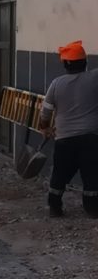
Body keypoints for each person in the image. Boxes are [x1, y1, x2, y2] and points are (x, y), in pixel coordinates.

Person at [39, 40, 98, 218]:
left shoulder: (57, 84)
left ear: (65, 64)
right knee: (92, 175)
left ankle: (55, 208)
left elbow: (46, 111)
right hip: (91, 137)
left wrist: (45, 128)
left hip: (64, 138)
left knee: (60, 174)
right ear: (85, 62)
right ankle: (92, 209)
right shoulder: (95, 78)